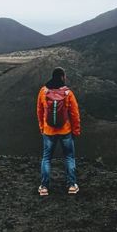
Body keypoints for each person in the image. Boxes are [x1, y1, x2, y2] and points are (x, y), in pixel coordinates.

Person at [37, 67, 80, 195]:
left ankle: (44, 187)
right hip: (65, 131)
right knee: (69, 157)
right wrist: (76, 131)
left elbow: (40, 111)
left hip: (49, 131)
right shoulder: (68, 93)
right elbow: (74, 114)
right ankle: (72, 185)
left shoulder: (43, 92)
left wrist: (42, 127)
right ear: (62, 77)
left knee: (46, 158)